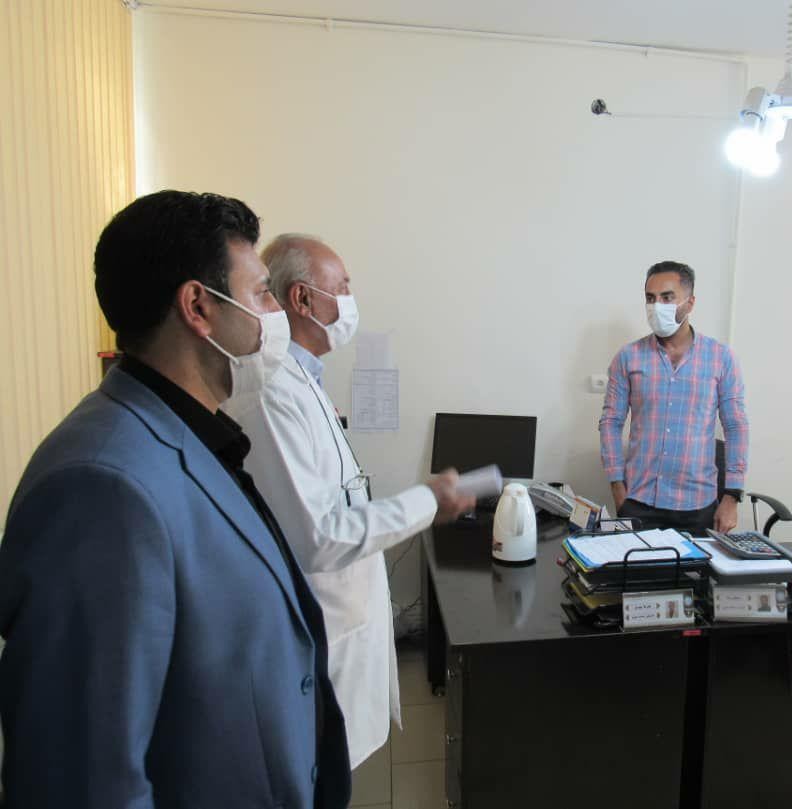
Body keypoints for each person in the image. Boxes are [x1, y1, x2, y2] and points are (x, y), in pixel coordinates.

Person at [0, 192, 350, 807]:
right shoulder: (100, 487)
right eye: (262, 293)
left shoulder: (190, 432)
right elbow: (84, 778)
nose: (274, 313)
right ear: (198, 307)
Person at [224, 234, 474, 770]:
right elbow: (320, 535)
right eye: (342, 288)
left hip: (344, 623)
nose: (350, 300)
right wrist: (427, 501)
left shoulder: (304, 380)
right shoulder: (271, 392)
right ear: (302, 299)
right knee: (318, 773)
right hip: (321, 636)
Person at [599, 260, 749, 534]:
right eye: (650, 298)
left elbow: (736, 426)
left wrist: (732, 496)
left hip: (698, 505)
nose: (657, 306)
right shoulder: (628, 357)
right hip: (639, 501)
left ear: (690, 303)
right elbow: (610, 422)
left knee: (696, 565)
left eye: (667, 298)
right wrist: (617, 487)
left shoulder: (721, 358)